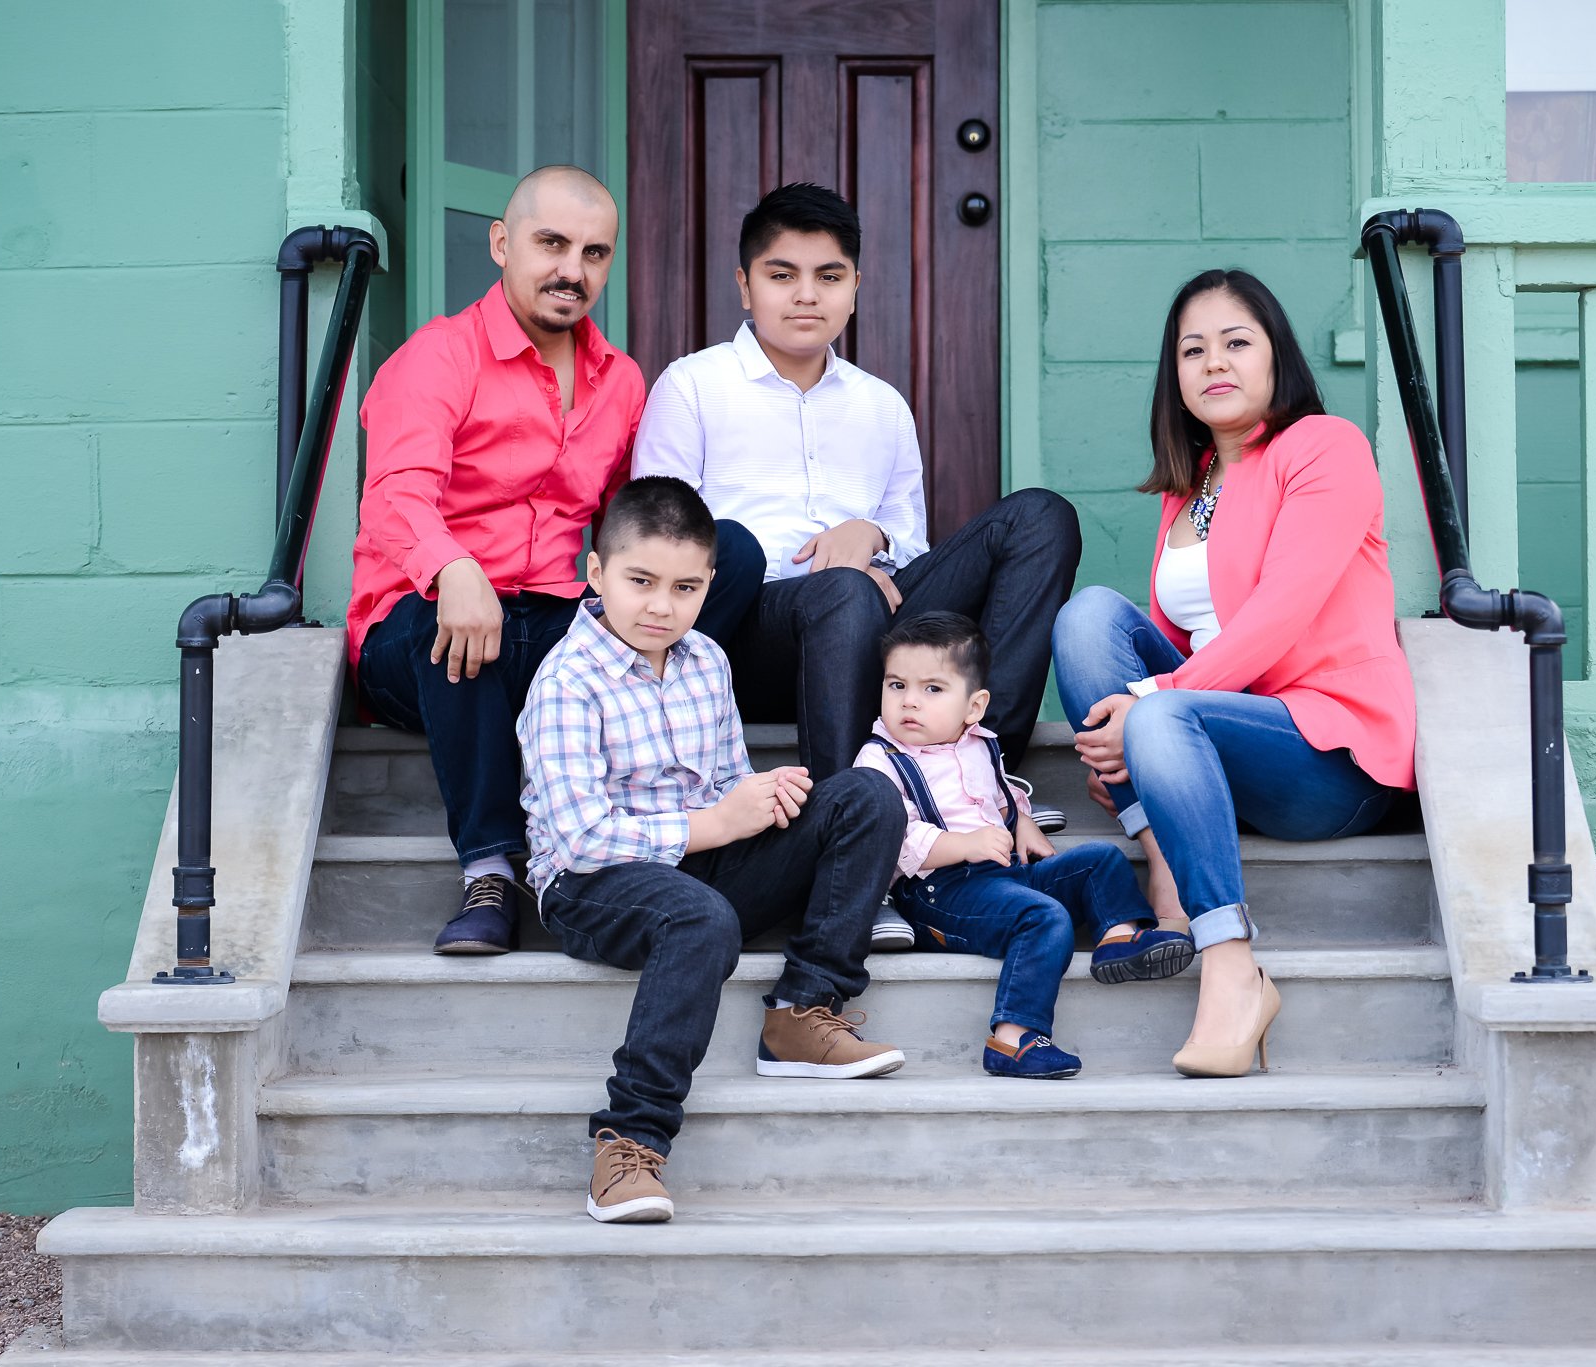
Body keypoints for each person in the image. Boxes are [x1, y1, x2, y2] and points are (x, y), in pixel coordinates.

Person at [1050, 269, 1417, 1079]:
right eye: (1192, 349)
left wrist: (1151, 708)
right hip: (1214, 734)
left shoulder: (1324, 447)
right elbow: (1183, 644)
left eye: (1235, 342)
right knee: (1087, 618)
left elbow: (1279, 615)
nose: (1214, 362)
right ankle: (1170, 872)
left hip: (1327, 751)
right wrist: (1150, 741)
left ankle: (1229, 965)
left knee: (1157, 718)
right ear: (1173, 377)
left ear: (1275, 355)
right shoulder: (1188, 491)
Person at [518, 476, 909, 1224]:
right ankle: (628, 1138)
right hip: (592, 883)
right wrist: (716, 825)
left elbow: (728, 781)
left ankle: (803, 1007)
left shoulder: (705, 660)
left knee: (865, 793)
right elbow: (581, 835)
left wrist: (768, 799)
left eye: (686, 586)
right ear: (596, 574)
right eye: (641, 581)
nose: (662, 605)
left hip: (703, 867)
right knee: (698, 918)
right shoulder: (567, 681)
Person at [629, 182, 1081, 804]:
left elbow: (912, 545)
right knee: (840, 589)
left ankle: (986, 778)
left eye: (830, 276)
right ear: (744, 286)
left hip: (877, 623)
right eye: (782, 275)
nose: (807, 295)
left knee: (1041, 516)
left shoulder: (882, 405)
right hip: (754, 637)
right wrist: (831, 577)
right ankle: (850, 822)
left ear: (855, 288)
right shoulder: (692, 386)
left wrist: (873, 535)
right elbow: (656, 545)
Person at [347, 165, 644, 956]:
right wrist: (453, 568)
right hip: (419, 627)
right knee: (457, 635)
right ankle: (490, 870)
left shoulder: (622, 382)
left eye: (594, 253)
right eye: (551, 244)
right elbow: (397, 496)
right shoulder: (438, 356)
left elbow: (622, 521)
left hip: (546, 616)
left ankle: (619, 858)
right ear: (501, 243)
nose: (571, 271)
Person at [853, 612, 1195, 1080]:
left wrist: (1024, 821)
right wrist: (962, 844)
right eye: (897, 686)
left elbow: (999, 793)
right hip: (938, 894)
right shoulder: (880, 758)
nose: (910, 702)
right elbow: (891, 839)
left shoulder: (979, 743)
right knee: (1043, 916)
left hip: (1001, 874)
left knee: (1101, 859)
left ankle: (1117, 939)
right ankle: (1014, 1038)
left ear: (973, 708)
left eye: (932, 689)